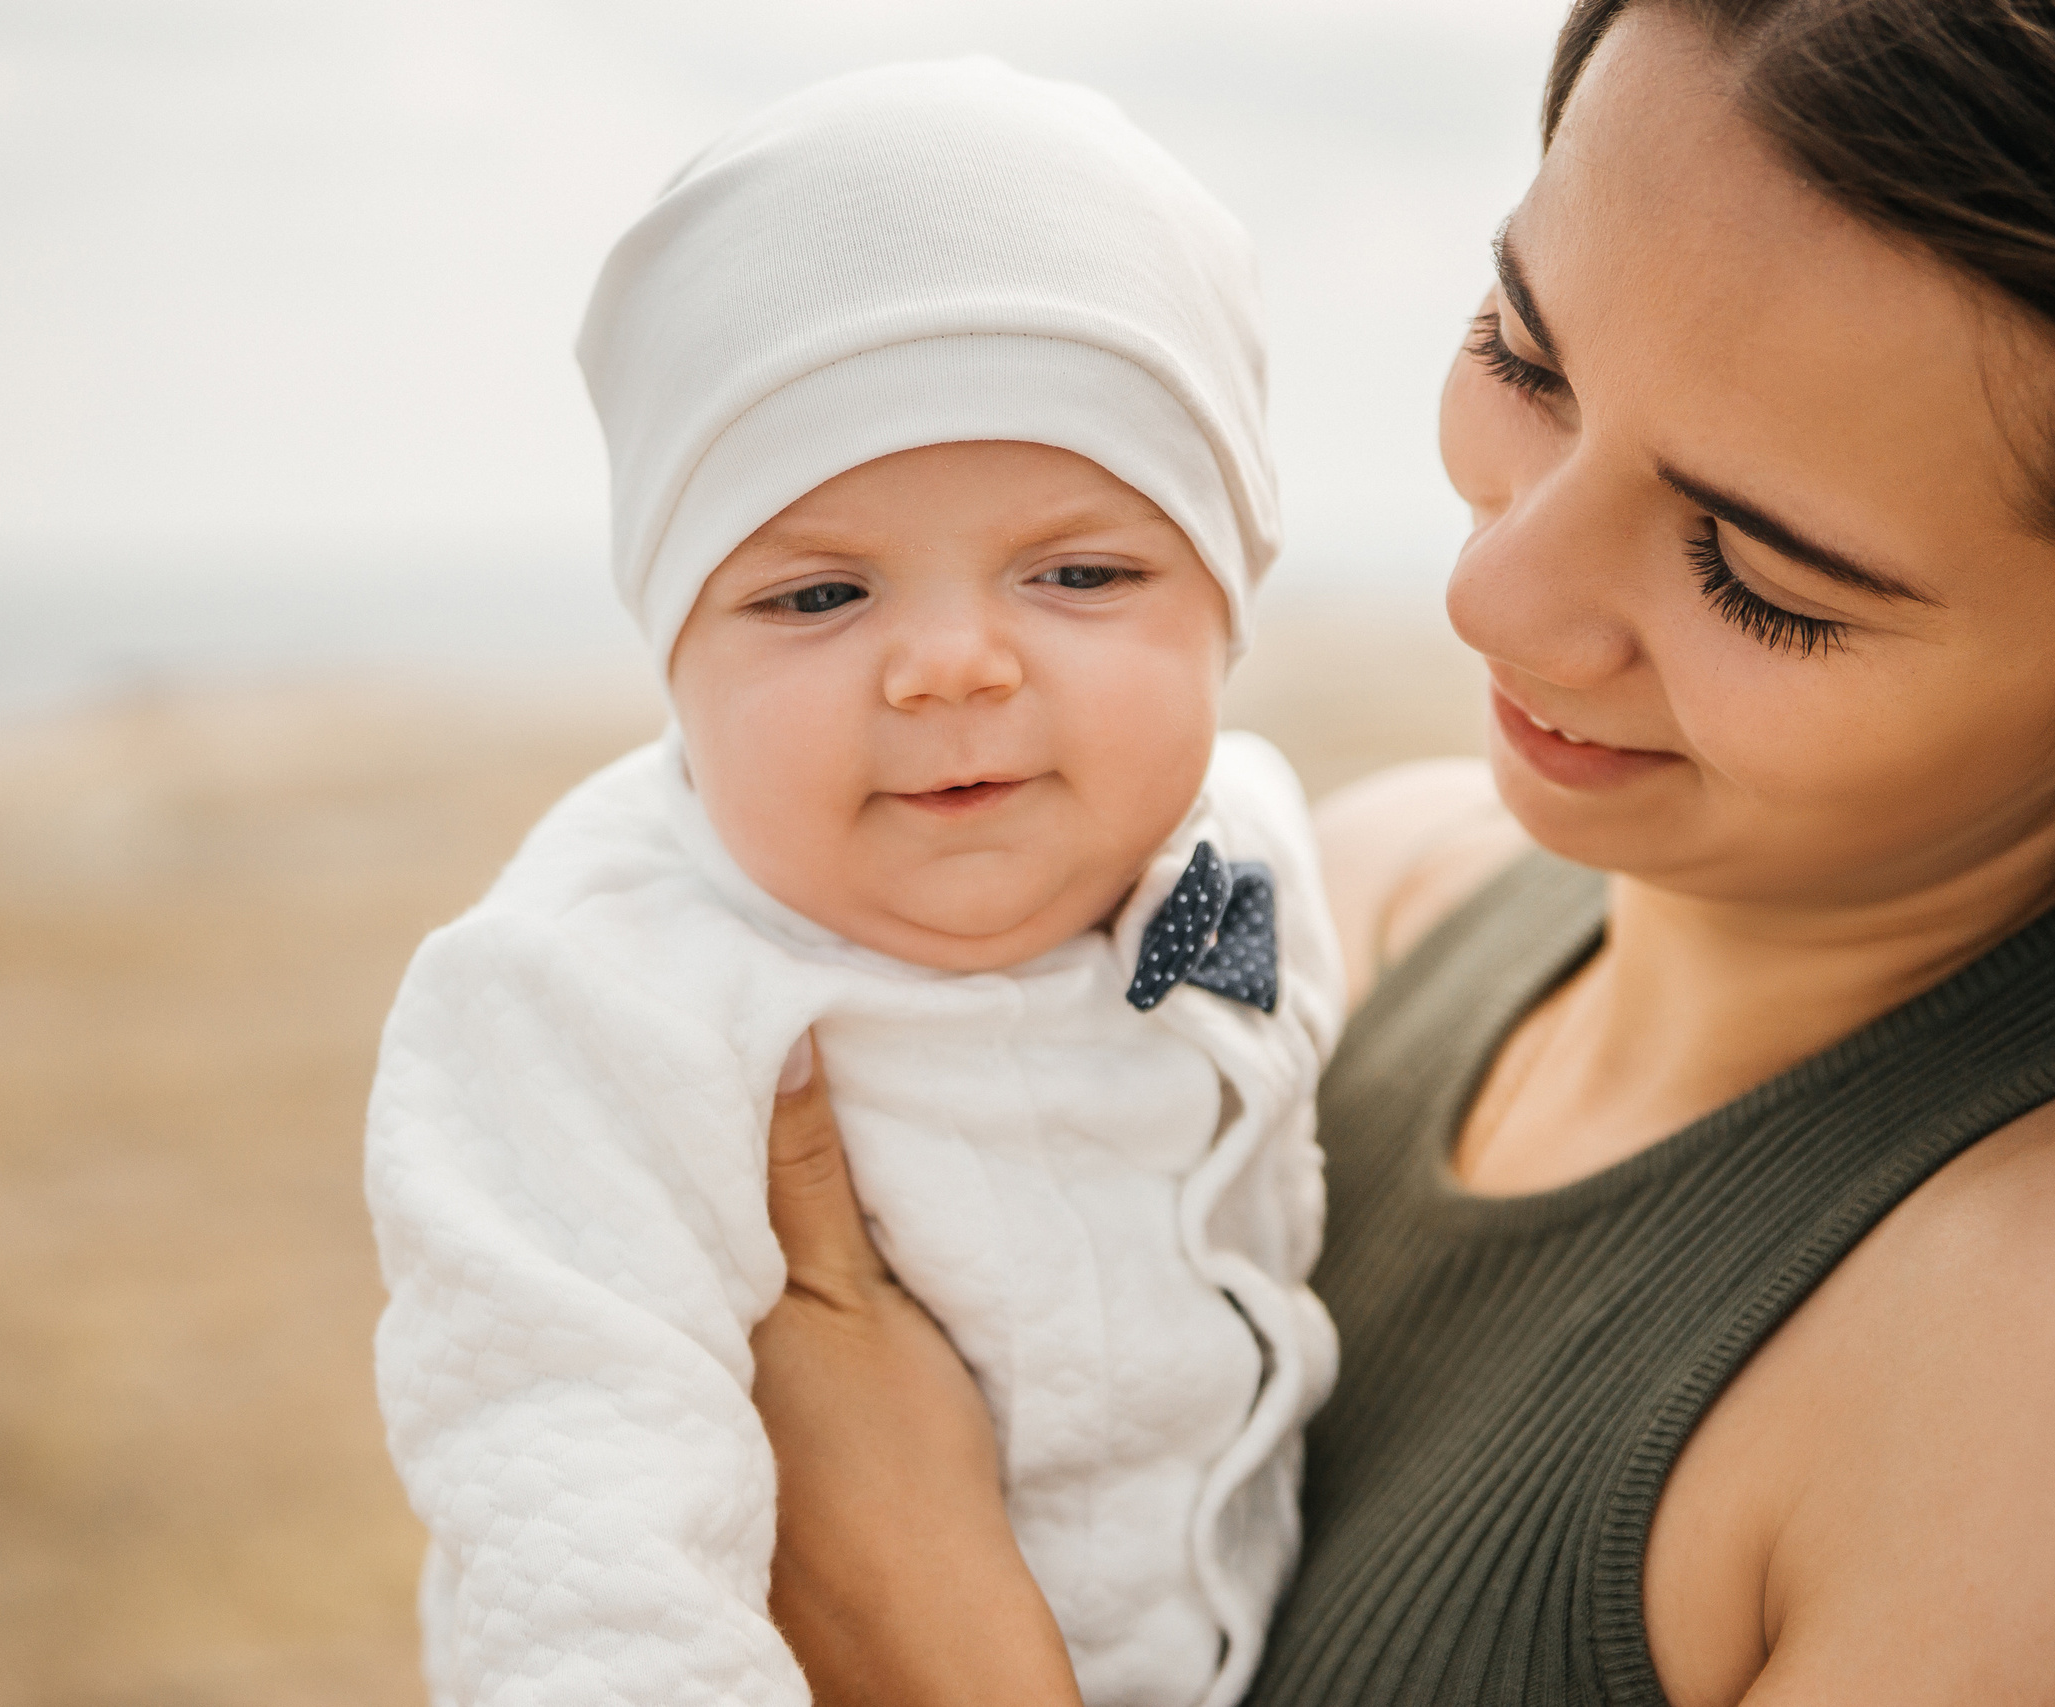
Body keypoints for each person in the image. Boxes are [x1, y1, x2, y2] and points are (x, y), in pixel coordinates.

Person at [747, 2, 2055, 1703]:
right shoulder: (1350, 911)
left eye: (1759, 576)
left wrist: (913, 1621)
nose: (1494, 595)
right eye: (1525, 359)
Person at [363, 59, 1352, 1707]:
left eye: (1082, 571)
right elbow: (579, 1535)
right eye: (819, 596)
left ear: (1225, 604)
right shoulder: (584, 999)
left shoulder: (1242, 851)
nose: (949, 665)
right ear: (672, 651)